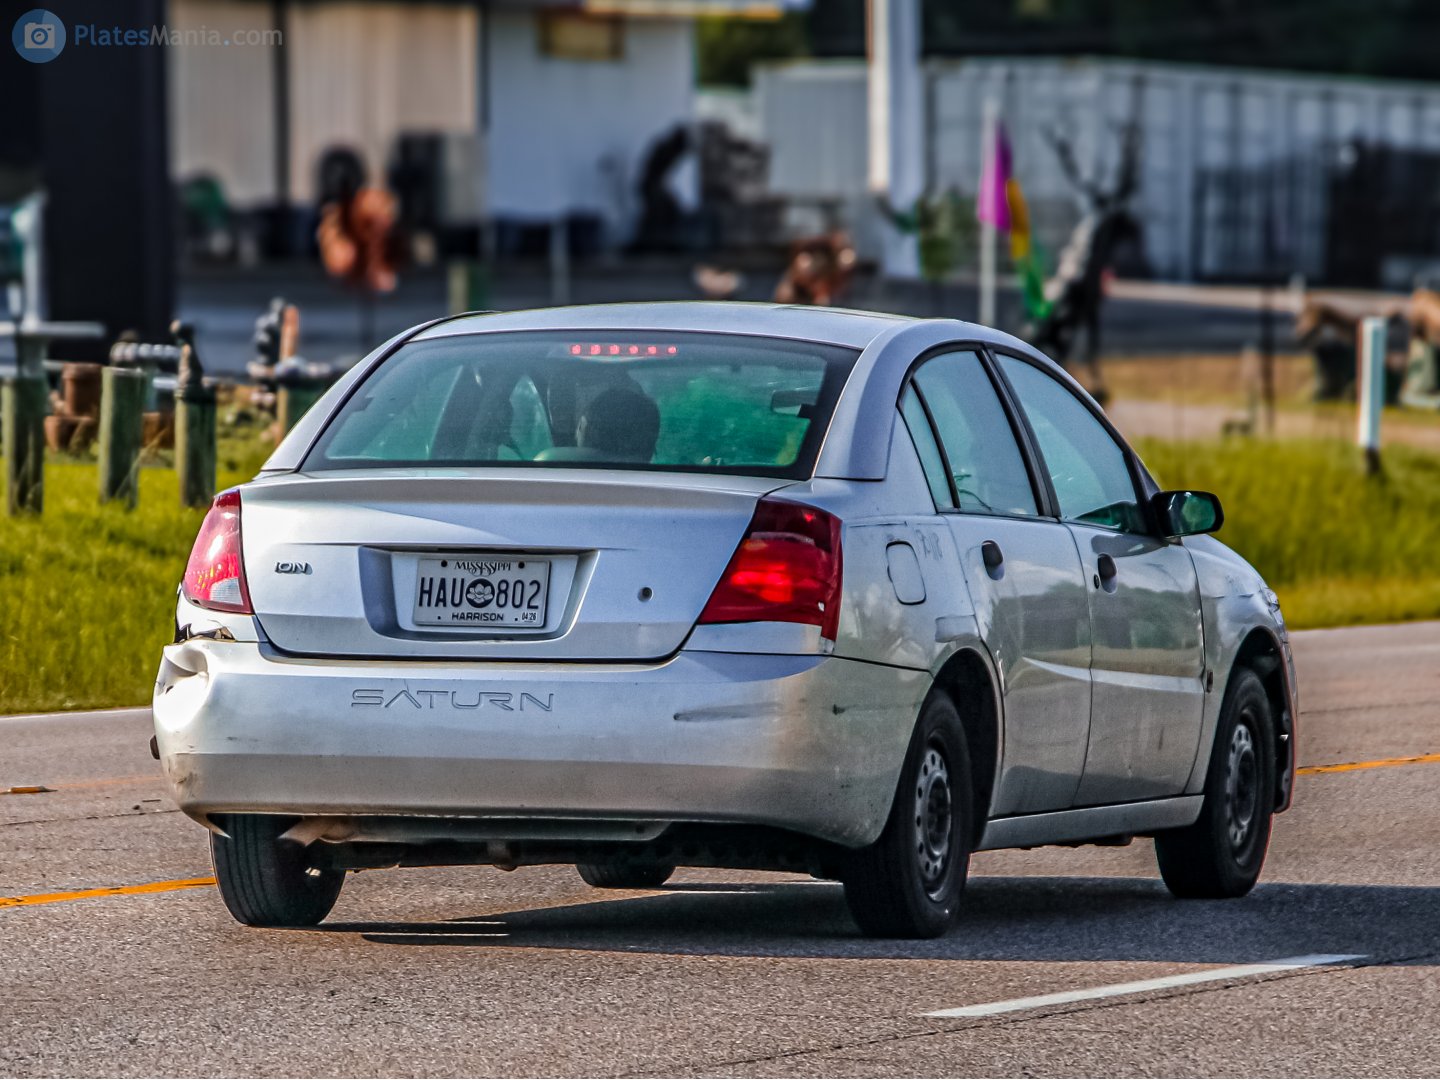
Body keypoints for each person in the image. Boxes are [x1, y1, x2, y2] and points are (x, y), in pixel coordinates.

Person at [577, 386, 660, 463]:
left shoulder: (570, 469)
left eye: (580, 426)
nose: (576, 435)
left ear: (583, 427)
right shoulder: (663, 472)